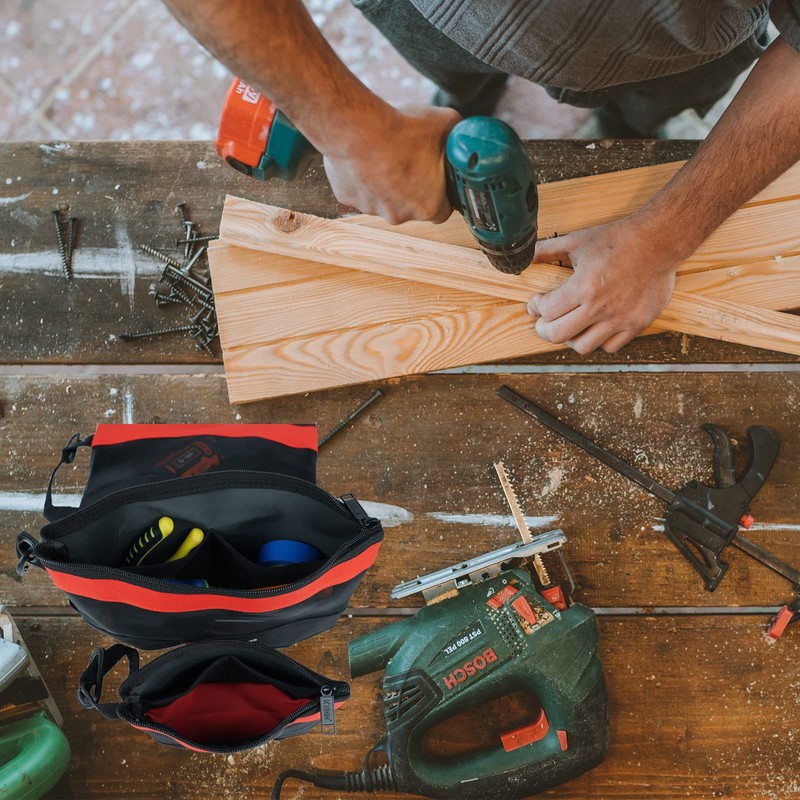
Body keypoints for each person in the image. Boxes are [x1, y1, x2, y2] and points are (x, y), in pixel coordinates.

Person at [163, 0, 800, 354]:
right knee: (456, 70)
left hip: (676, 38)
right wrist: (348, 130)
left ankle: (622, 120)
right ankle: (465, 99)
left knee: (645, 107)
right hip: (429, 10)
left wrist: (662, 240)